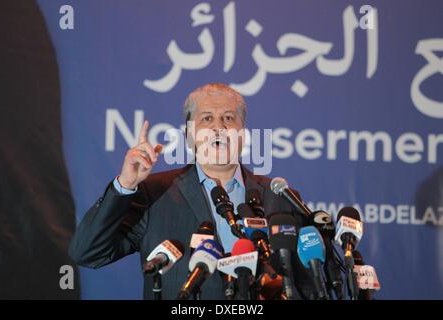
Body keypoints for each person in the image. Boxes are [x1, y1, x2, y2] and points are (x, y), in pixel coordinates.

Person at [69, 83, 314, 299]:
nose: (218, 127)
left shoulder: (279, 198)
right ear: (189, 136)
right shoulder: (154, 193)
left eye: (228, 118)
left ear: (243, 134)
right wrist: (125, 185)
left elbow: (306, 285)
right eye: (206, 118)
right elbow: (89, 253)